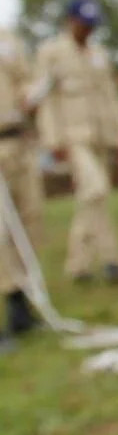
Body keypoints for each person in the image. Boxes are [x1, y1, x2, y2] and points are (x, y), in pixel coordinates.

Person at [35, 0, 118, 285]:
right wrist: (53, 141)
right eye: (82, 24)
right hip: (73, 138)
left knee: (92, 197)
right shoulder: (51, 53)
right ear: (70, 21)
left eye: (91, 25)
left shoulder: (99, 55)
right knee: (96, 189)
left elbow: (111, 98)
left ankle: (80, 264)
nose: (87, 30)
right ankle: (111, 258)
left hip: (101, 137)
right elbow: (46, 99)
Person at [0, 27, 44, 350]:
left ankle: (22, 305)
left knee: (29, 221)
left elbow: (25, 78)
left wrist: (31, 94)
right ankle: (13, 298)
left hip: (18, 141)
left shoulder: (8, 38)